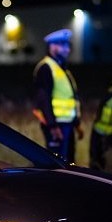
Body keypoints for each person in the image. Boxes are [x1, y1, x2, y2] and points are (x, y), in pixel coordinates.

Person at [33, 28, 83, 162]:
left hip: (67, 124)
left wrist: (76, 123)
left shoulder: (61, 68)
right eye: (64, 46)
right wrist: (52, 126)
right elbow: (43, 99)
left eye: (68, 46)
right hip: (57, 125)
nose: (68, 50)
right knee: (58, 164)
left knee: (68, 162)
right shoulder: (46, 68)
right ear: (53, 47)